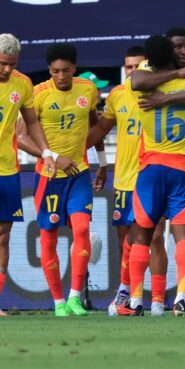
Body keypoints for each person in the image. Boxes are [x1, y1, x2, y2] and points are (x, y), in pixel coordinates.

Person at [131, 27, 185, 317]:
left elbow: (138, 82)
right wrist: (179, 79)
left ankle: (143, 299)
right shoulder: (183, 75)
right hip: (183, 164)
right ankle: (179, 297)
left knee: (157, 233)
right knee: (182, 231)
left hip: (157, 165)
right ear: (169, 51)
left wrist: (162, 98)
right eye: (178, 48)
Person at [19, 43, 106, 317]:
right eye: (55, 71)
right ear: (49, 70)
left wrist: (102, 162)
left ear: (74, 69)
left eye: (65, 70)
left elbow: (95, 125)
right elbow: (22, 137)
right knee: (49, 239)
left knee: (81, 230)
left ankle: (75, 297)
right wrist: (53, 157)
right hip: (49, 177)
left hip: (79, 171)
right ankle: (58, 302)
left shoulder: (87, 89)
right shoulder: (38, 93)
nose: (60, 76)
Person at [86, 46, 168, 316]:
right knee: (127, 243)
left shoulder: (161, 92)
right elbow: (101, 128)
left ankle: (157, 299)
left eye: (138, 66)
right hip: (124, 179)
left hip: (153, 176)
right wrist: (74, 148)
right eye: (128, 67)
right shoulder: (118, 96)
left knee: (155, 238)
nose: (132, 71)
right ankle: (128, 295)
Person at [0, 33, 56, 316]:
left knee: (2, 235)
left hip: (7, 169)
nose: (6, 69)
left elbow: (31, 121)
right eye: (1, 63)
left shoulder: (22, 84)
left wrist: (46, 153)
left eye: (11, 64)